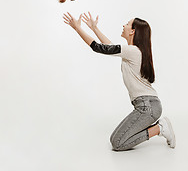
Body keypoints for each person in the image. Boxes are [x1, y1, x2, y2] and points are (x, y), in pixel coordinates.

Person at [63, 11, 176, 151]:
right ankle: (158, 127)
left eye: (127, 24)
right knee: (114, 139)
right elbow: (109, 46)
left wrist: (77, 28)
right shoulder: (131, 51)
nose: (124, 25)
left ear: (132, 31)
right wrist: (94, 28)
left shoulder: (132, 51)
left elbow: (98, 48)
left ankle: (160, 128)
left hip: (147, 107)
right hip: (147, 105)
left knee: (118, 143)